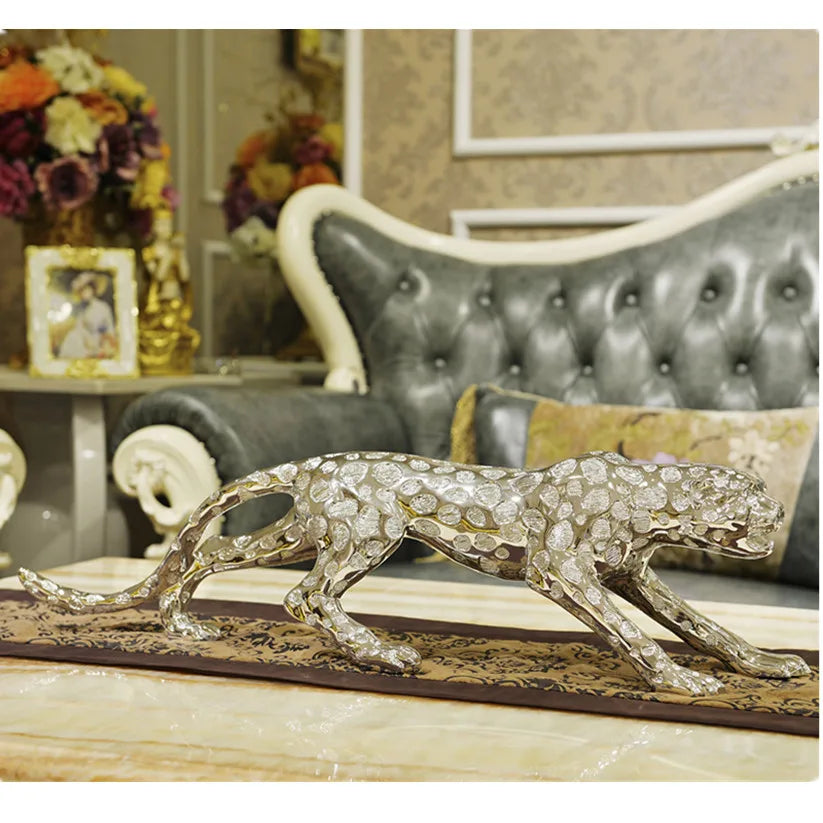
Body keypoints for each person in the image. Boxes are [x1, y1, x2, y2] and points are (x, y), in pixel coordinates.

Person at [57, 271, 117, 359]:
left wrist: (104, 344)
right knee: (72, 337)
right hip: (85, 343)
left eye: (86, 289)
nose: (84, 293)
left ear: (92, 289)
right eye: (81, 291)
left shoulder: (102, 307)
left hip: (99, 343)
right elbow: (79, 328)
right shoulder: (82, 310)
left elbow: (109, 329)